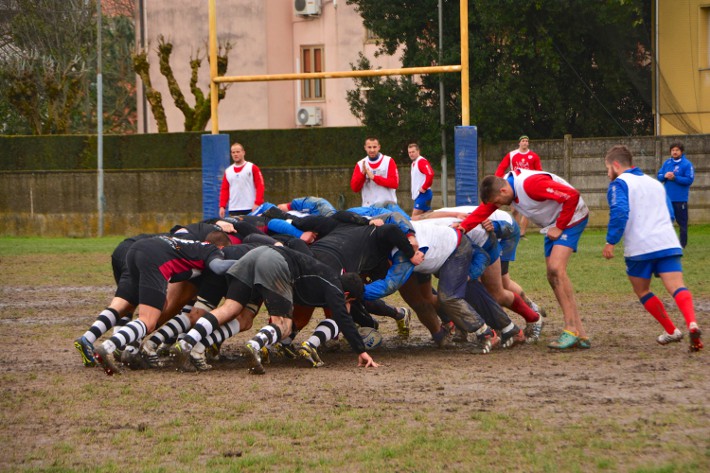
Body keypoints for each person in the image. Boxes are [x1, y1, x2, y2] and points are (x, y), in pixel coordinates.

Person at [171, 245, 380, 374]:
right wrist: (361, 351)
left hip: (255, 254)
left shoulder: (328, 275)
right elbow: (342, 318)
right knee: (284, 325)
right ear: (346, 296)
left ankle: (191, 345)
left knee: (231, 309)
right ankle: (254, 345)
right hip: (275, 262)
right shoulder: (335, 288)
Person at [457, 169, 590, 350]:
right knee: (553, 276)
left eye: (498, 202)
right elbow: (483, 211)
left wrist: (559, 226)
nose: (499, 206)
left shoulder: (530, 185)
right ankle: (580, 334)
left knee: (555, 270)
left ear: (503, 192)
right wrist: (461, 228)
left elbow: (572, 195)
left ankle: (571, 329)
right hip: (553, 224)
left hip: (571, 217)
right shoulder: (504, 189)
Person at [92, 233, 235, 375]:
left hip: (136, 250)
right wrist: (246, 260)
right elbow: (218, 267)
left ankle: (130, 351)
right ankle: (107, 347)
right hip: (154, 259)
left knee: (159, 309)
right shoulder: (212, 250)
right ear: (220, 247)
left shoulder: (191, 245)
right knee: (148, 321)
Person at [604, 145, 702, 352]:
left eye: (607, 169)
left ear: (615, 165)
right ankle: (692, 323)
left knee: (642, 289)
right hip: (668, 242)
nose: (607, 174)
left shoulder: (619, 184)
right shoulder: (656, 183)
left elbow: (620, 211)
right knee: (677, 286)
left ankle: (671, 329)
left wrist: (611, 241)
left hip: (640, 247)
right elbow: (670, 213)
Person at [494, 135, 542, 238]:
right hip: (514, 184)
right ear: (519, 143)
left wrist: (539, 182)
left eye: (526, 141)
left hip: (528, 185)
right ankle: (518, 229)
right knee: (514, 209)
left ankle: (522, 233)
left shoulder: (533, 156)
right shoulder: (512, 155)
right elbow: (502, 167)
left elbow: (539, 171)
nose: (525, 143)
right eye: (523, 141)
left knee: (527, 209)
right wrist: (497, 180)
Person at [657, 141, 694, 248]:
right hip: (667, 199)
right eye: (673, 150)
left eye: (677, 150)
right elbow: (659, 176)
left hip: (680, 199)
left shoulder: (687, 164)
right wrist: (665, 175)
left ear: (681, 151)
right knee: (665, 222)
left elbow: (689, 180)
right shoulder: (667, 163)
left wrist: (675, 178)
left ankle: (682, 244)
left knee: (682, 223)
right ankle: (666, 244)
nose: (675, 152)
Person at [218, 142, 265, 218]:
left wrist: (257, 203)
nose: (235, 154)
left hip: (250, 207)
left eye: (238, 152)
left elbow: (260, 186)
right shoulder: (228, 171)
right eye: (233, 152)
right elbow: (224, 190)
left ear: (243, 153)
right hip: (234, 208)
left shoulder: (252, 168)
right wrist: (222, 206)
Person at [350, 137, 399, 206]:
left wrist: (374, 178)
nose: (372, 150)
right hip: (368, 208)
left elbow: (394, 183)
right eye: (369, 147)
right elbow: (355, 188)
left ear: (379, 147)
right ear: (365, 148)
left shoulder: (388, 161)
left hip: (387, 206)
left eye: (374, 147)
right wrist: (362, 175)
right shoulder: (360, 164)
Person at [408, 143, 435, 216]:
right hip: (419, 195)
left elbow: (430, 174)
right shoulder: (414, 163)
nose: (411, 154)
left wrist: (424, 187)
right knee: (427, 218)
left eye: (413, 152)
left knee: (414, 218)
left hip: (423, 194)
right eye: (409, 152)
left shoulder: (421, 161)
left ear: (418, 151)